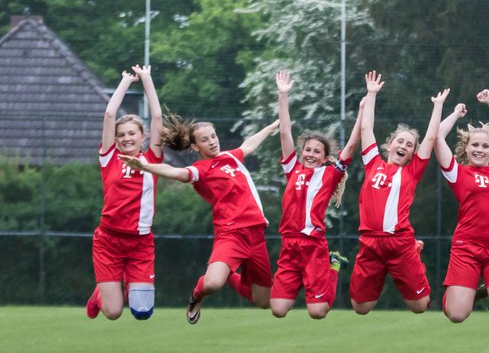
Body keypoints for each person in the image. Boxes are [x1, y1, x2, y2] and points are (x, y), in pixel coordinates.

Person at [122, 117, 280, 324]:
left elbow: (248, 145)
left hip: (256, 235)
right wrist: (146, 167)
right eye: (205, 139)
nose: (212, 141)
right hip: (231, 234)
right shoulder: (201, 169)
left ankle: (228, 274)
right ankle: (198, 294)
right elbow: (176, 172)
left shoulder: (230, 158)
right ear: (196, 146)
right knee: (213, 283)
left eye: (213, 136)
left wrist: (270, 127)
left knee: (264, 302)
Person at [349, 72, 452, 314]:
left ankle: (412, 255)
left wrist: (438, 107)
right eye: (400, 141)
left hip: (399, 243)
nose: (404, 146)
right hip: (370, 243)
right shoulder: (372, 162)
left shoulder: (412, 172)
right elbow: (366, 127)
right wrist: (371, 94)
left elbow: (430, 137)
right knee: (360, 307)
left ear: (413, 154)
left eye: (409, 145)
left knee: (420, 306)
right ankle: (380, 271)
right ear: (389, 144)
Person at [268, 70, 361, 319]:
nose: (310, 154)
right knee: (278, 310)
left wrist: (363, 110)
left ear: (324, 158)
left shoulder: (329, 176)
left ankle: (334, 264)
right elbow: (285, 132)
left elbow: (351, 146)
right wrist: (283, 95)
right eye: (307, 149)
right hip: (289, 246)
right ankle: (300, 281)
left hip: (313, 247)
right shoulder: (292, 169)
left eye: (316, 151)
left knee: (318, 312)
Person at [435, 89, 489, 323]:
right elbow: (437, 137)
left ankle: (480, 289)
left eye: (484, 146)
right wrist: (454, 114)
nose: (479, 150)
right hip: (466, 249)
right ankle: (459, 296)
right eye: (475, 145)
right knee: (456, 315)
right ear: (467, 147)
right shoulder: (458, 173)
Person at [87, 65, 164, 321]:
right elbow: (110, 114)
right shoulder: (110, 159)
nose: (126, 138)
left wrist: (147, 79)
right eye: (121, 135)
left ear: (143, 136)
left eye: (132, 133)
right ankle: (101, 295)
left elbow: (157, 117)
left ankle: (124, 284)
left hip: (140, 244)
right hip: (109, 241)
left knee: (142, 313)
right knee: (113, 313)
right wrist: (125, 82)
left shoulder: (152, 158)